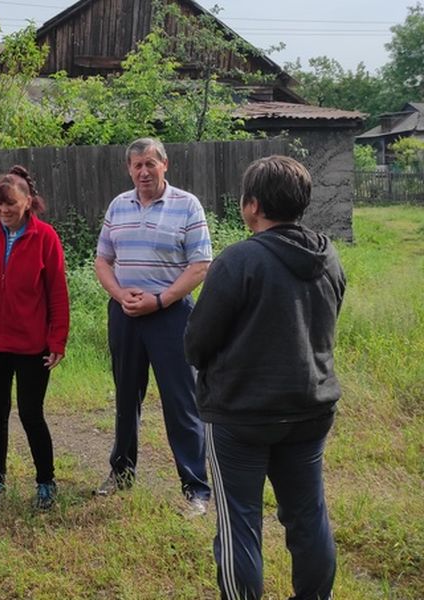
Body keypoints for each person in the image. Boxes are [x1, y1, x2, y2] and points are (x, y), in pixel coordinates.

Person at [184, 155, 346, 600]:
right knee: (308, 514)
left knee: (239, 520)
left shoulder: (238, 260)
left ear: (252, 205)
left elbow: (196, 341)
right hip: (311, 407)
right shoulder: (328, 255)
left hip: (241, 416)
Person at [93, 137, 211, 514]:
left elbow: (200, 266)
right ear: (129, 169)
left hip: (170, 315)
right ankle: (121, 472)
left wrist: (160, 300)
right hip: (125, 316)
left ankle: (195, 488)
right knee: (126, 397)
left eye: (150, 164)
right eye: (136, 165)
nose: (143, 171)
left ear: (165, 165)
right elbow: (102, 260)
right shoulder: (118, 205)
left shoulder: (187, 205)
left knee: (181, 401)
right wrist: (119, 294)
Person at [0, 165, 69, 511]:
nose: (5, 211)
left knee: (31, 414)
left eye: (12, 204)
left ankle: (46, 482)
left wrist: (57, 342)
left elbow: (57, 295)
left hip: (32, 346)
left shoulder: (45, 237)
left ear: (29, 202)